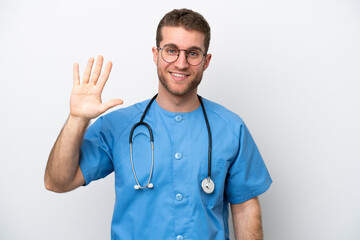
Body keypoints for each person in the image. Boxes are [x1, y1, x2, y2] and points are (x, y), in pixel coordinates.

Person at [44, 8, 272, 240]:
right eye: (171, 51)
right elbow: (57, 182)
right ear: (156, 54)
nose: (181, 63)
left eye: (193, 53)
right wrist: (77, 119)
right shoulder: (118, 126)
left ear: (206, 61)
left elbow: (245, 208)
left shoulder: (232, 129)